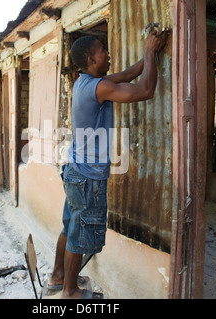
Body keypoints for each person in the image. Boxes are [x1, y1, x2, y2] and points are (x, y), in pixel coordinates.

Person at [47, 31, 169, 299]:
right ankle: (70, 292)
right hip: (88, 176)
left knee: (70, 228)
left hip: (75, 170)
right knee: (79, 235)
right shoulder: (99, 87)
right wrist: (149, 52)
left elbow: (127, 74)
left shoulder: (84, 80)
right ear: (92, 59)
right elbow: (145, 90)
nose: (108, 53)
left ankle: (57, 277)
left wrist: (153, 52)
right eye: (103, 50)